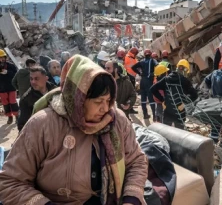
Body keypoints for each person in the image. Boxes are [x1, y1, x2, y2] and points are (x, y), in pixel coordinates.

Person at [0, 55, 148, 205]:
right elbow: (11, 182)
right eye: (98, 102)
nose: (105, 108)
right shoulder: (43, 124)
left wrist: (131, 199)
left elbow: (136, 161)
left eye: (109, 100)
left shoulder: (116, 120)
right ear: (79, 99)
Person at [151, 60, 198, 129]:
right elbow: (195, 95)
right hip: (179, 111)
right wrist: (184, 103)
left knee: (166, 132)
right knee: (180, 133)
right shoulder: (184, 80)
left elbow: (152, 89)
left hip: (167, 110)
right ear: (185, 70)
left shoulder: (166, 79)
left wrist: (162, 100)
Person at [17, 66, 56, 132]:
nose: (33, 82)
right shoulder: (26, 99)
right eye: (31, 79)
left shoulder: (56, 91)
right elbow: (22, 126)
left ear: (46, 78)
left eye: (36, 79)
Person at [132, 49, 158, 120]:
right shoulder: (152, 61)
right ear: (150, 54)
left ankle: (145, 115)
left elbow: (133, 67)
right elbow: (157, 65)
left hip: (142, 81)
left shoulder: (141, 61)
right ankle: (154, 116)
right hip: (149, 81)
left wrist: (140, 73)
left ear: (144, 54)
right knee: (151, 99)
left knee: (143, 98)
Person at [0, 49, 19, 124]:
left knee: (13, 102)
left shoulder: (10, 65)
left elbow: (16, 74)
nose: (1, 59)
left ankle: (17, 116)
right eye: (0, 58)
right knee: (5, 103)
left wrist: (8, 72)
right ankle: (9, 117)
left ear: (5, 57)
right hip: (2, 88)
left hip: (11, 87)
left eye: (3, 57)